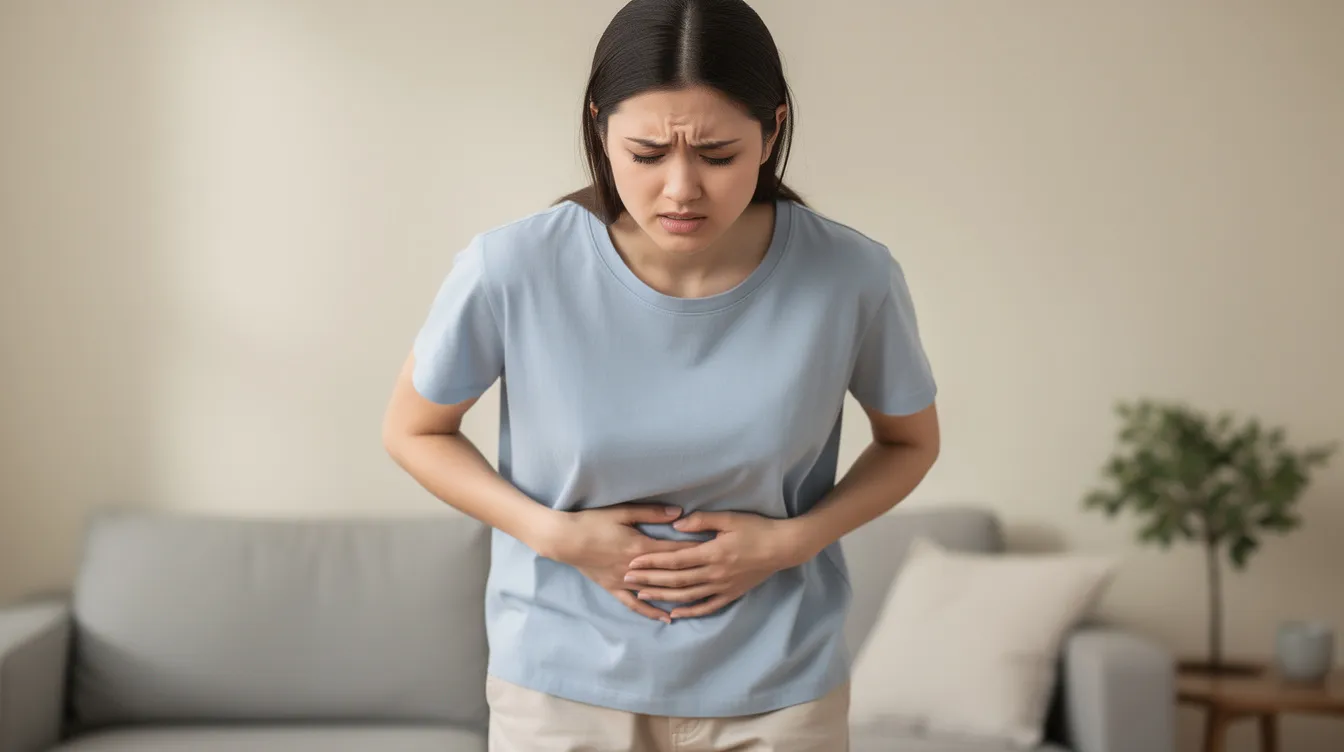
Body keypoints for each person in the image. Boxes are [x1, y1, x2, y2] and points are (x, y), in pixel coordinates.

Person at [382, 0, 940, 749]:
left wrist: (791, 542)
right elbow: (413, 429)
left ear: (772, 130)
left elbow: (911, 443)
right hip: (560, 686)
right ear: (598, 129)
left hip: (780, 687)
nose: (681, 189)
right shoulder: (513, 267)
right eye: (647, 154)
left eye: (717, 155)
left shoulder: (851, 276)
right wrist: (553, 535)